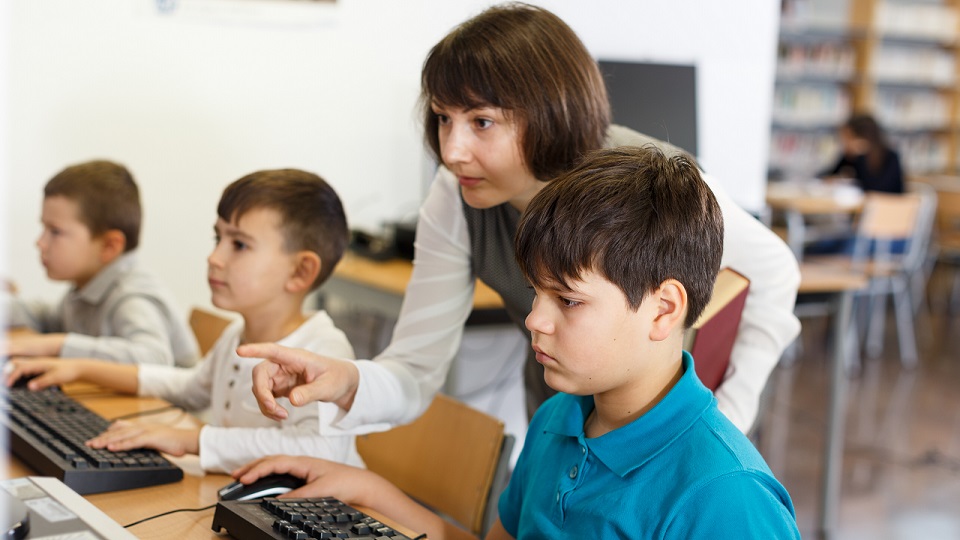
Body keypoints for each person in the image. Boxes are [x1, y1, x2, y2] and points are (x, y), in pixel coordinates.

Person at [243, 2, 801, 434]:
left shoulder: (649, 182)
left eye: (482, 122)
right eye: (442, 119)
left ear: (552, 114)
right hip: (560, 422)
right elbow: (415, 369)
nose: (453, 149)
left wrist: (731, 408)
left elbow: (775, 269)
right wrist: (343, 379)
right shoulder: (456, 194)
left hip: (664, 431)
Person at [234, 146, 801, 540]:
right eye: (535, 294)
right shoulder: (559, 418)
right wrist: (370, 492)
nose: (534, 321)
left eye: (568, 301)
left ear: (664, 309)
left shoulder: (726, 497)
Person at [4, 169, 363, 473]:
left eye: (238, 245)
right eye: (217, 237)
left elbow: (320, 452)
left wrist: (191, 439)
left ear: (300, 271)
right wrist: (81, 369)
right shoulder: (237, 334)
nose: (214, 257)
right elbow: (191, 387)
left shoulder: (325, 351)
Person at [3, 160, 198, 367]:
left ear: (109, 246)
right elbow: (47, 318)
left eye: (55, 231)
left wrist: (58, 345)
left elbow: (153, 357)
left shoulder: (132, 297)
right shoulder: (86, 284)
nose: (40, 242)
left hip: (162, 401)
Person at [822, 113, 905, 194]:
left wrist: (862, 155)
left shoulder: (890, 157)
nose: (845, 143)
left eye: (848, 138)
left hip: (889, 205)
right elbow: (828, 175)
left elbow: (875, 189)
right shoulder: (851, 156)